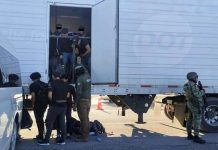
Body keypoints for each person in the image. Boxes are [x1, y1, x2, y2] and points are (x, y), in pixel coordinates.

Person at [38, 71, 70, 146]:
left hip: (54, 106)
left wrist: (53, 101)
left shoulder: (52, 83)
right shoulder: (66, 84)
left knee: (49, 122)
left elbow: (49, 95)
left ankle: (46, 141)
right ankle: (62, 140)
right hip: (64, 106)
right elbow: (68, 95)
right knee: (62, 123)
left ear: (53, 76)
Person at [183, 72, 206, 144]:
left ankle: (189, 134)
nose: (196, 78)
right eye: (196, 77)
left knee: (190, 119)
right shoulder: (193, 85)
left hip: (190, 103)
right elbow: (197, 95)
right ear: (192, 78)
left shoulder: (186, 84)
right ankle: (196, 137)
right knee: (197, 120)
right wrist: (202, 91)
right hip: (195, 104)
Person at [29, 72, 48, 141]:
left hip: (37, 104)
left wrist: (33, 104)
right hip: (45, 104)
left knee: (39, 120)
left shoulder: (32, 85)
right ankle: (42, 133)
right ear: (39, 77)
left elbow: (33, 95)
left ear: (32, 79)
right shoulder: (45, 84)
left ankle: (41, 135)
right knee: (41, 118)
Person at [74, 65, 91, 142]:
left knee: (83, 120)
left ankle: (84, 137)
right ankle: (86, 135)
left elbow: (79, 92)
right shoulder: (88, 76)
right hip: (88, 101)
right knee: (86, 119)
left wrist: (75, 103)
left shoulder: (80, 79)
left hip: (82, 102)